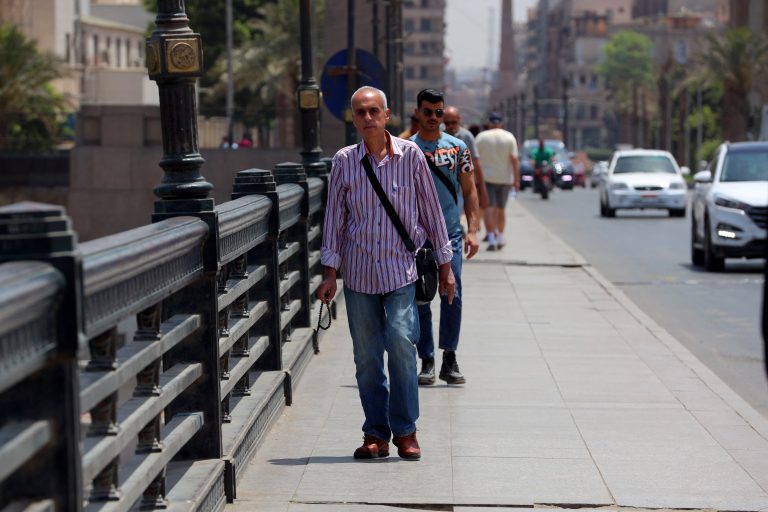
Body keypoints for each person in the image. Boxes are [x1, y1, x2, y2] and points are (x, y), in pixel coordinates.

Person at [316, 85, 456, 461]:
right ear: (353, 117)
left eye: (373, 111)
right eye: (360, 112)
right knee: (366, 358)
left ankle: (406, 431)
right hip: (358, 274)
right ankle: (375, 433)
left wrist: (446, 266)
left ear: (387, 114)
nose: (367, 118)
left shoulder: (410, 156)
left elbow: (431, 213)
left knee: (400, 344)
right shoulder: (344, 161)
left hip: (401, 271)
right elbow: (334, 221)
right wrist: (329, 273)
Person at [410, 89, 479, 386]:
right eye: (428, 112)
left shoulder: (458, 148)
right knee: (421, 297)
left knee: (453, 293)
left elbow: (469, 189)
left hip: (450, 234)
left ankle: (449, 356)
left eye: (439, 112)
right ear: (418, 113)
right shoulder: (405, 149)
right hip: (416, 237)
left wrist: (473, 229)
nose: (434, 118)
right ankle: (426, 358)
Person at [474, 112, 520, 251]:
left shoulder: (481, 137)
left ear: (489, 123)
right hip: (505, 178)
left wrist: (474, 179)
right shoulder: (509, 137)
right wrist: (516, 180)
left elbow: (475, 160)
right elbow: (514, 159)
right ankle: (500, 235)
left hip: (486, 178)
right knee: (501, 209)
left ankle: (492, 238)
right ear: (501, 123)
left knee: (489, 208)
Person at [443, 106, 489, 230]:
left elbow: (476, 163)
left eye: (454, 122)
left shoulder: (466, 137)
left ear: (459, 120)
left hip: (462, 184)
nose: (451, 126)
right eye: (447, 123)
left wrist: (482, 190)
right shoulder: (437, 136)